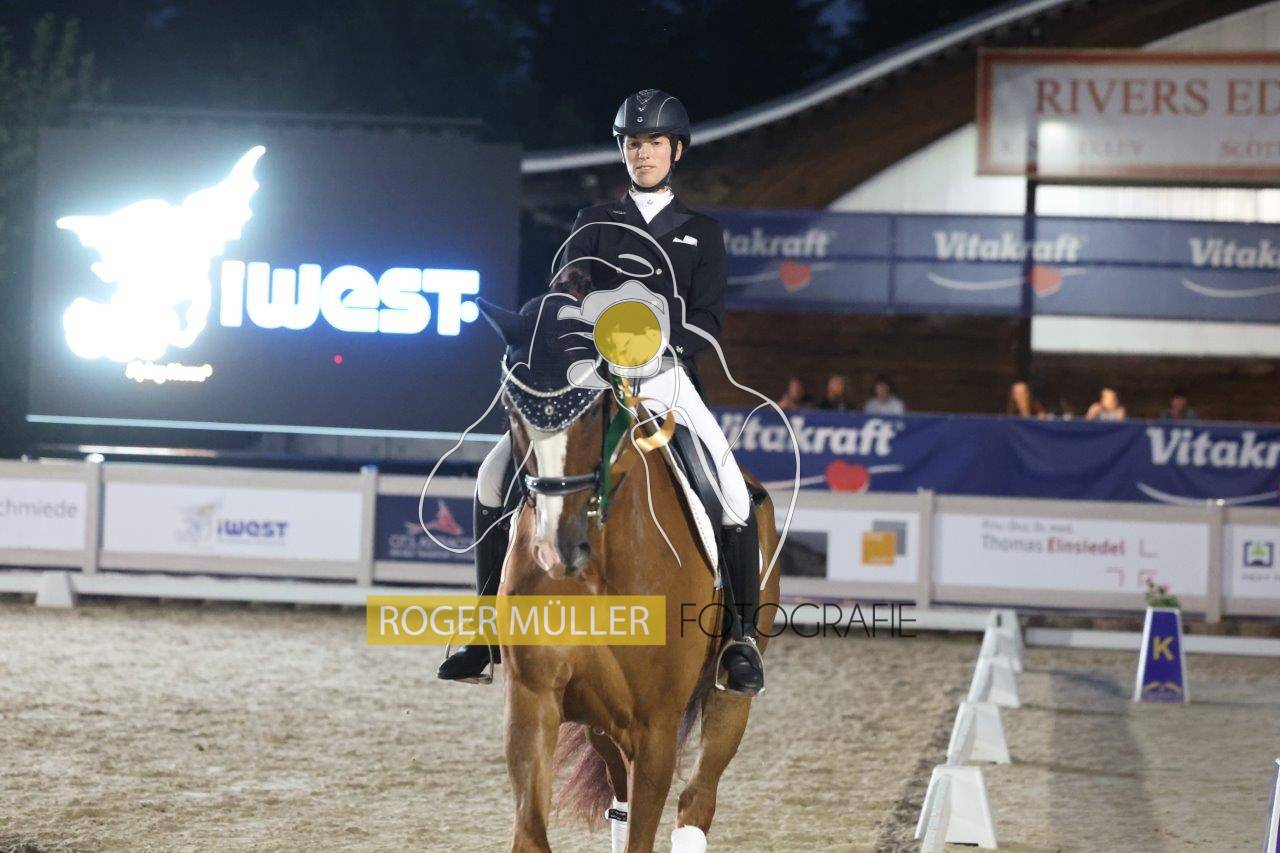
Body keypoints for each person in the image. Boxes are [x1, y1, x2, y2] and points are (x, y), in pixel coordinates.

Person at [438, 89, 765, 695]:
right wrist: (575, 323)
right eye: (633, 143)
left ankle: (740, 639)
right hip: (591, 376)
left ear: (676, 150)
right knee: (492, 475)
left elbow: (708, 323)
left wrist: (650, 338)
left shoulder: (702, 233)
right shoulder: (593, 223)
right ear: (623, 151)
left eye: (654, 143)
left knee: (730, 489)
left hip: (665, 377)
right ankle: (484, 632)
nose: (643, 153)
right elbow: (562, 296)